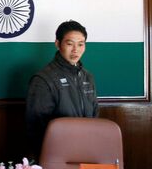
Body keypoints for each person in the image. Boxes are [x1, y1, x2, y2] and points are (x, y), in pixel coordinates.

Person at [25, 20, 99, 157]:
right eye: (70, 44)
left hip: (86, 149)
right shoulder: (43, 79)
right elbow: (36, 128)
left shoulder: (88, 77)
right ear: (58, 44)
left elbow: (95, 116)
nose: (76, 50)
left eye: (81, 44)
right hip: (56, 153)